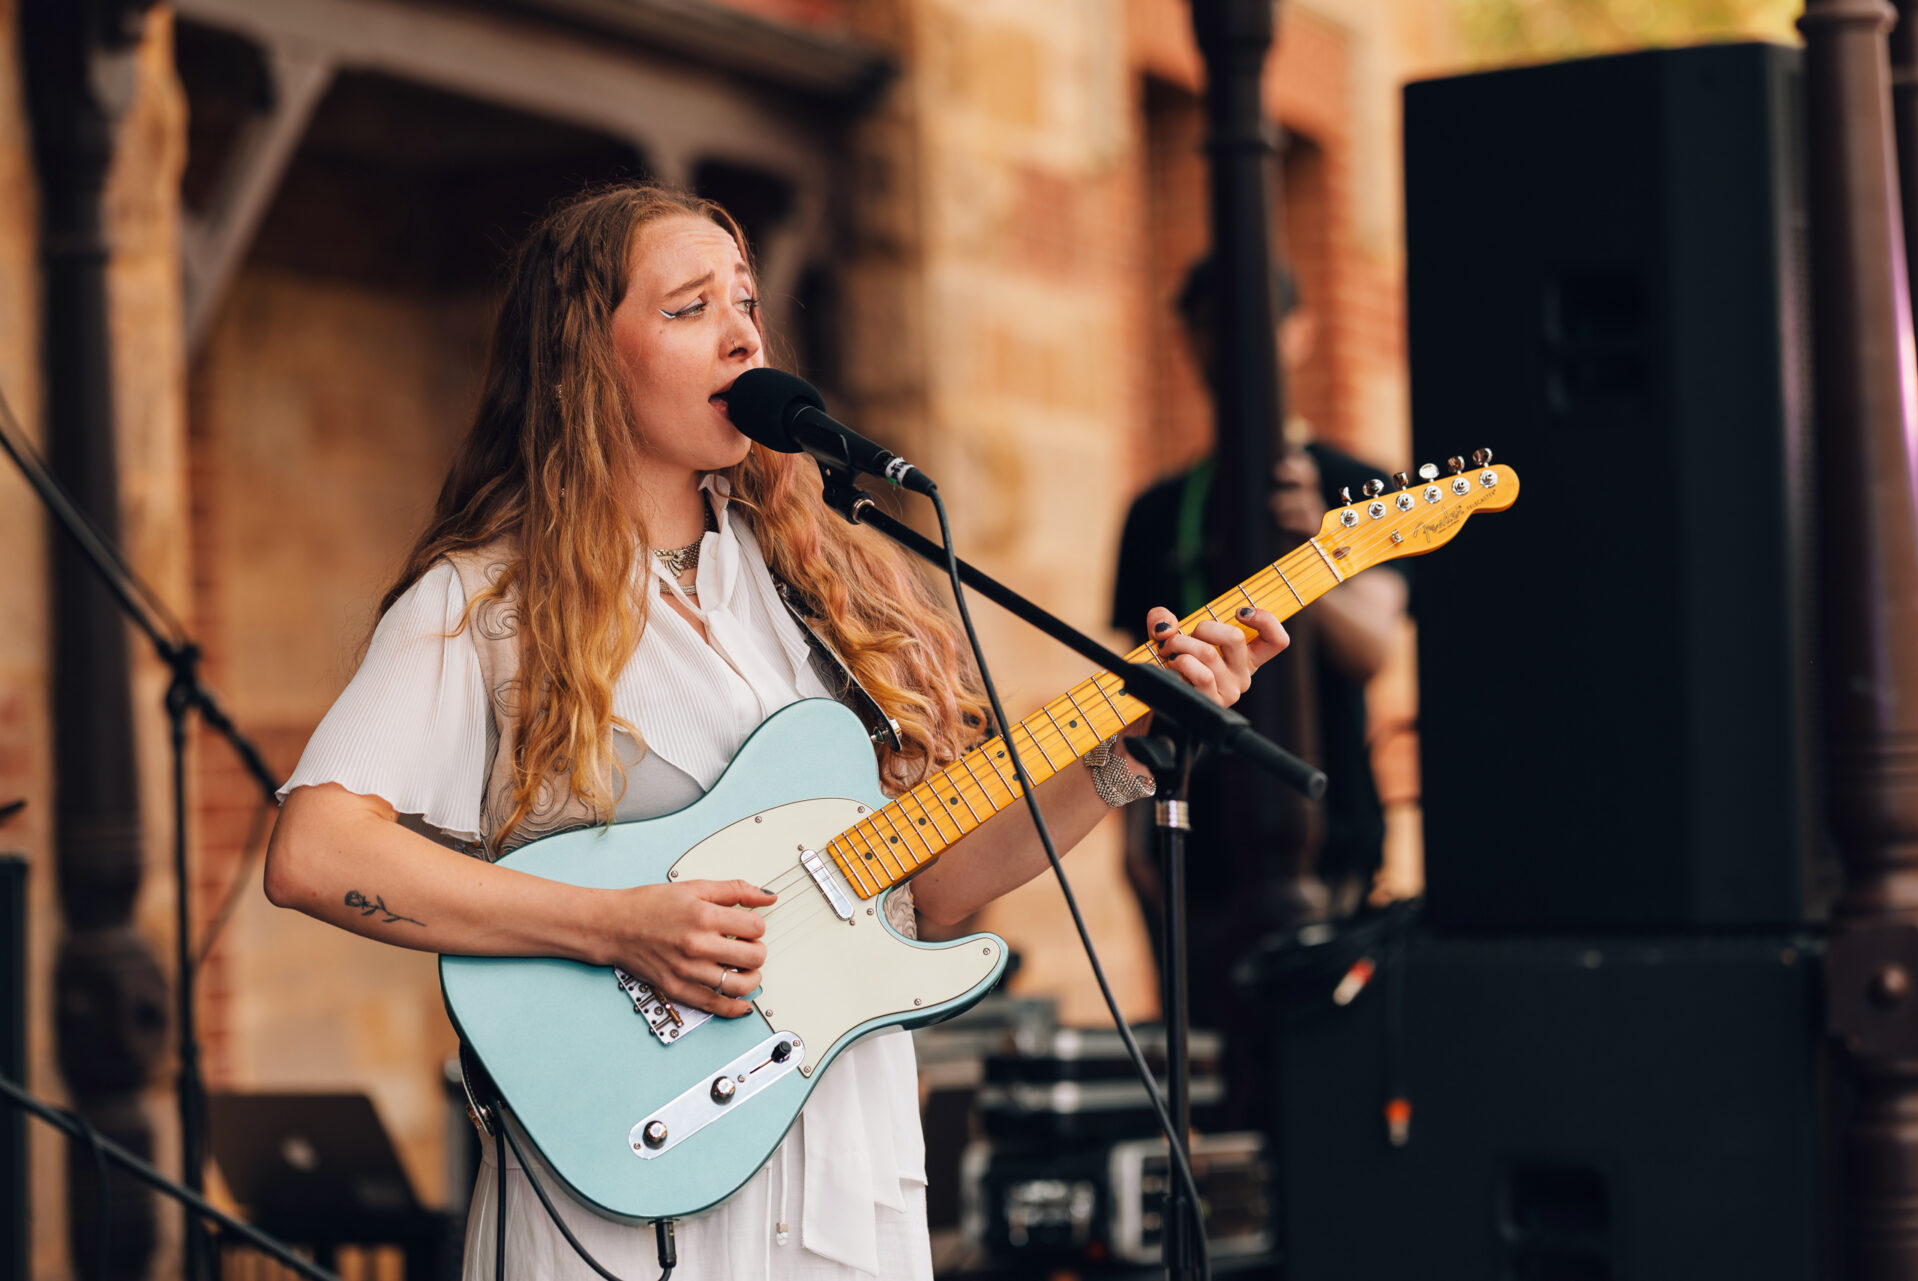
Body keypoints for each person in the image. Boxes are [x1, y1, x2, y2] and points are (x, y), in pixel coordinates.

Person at [262, 182, 1289, 1281]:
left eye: (746, 302)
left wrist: (1122, 753)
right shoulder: (485, 602)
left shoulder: (820, 591)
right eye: (689, 307)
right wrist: (614, 926)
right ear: (582, 358)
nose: (744, 334)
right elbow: (317, 853)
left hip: (843, 1180)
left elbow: (931, 891)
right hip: (626, 1204)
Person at [1111, 258, 1410, 1101]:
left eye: (1252, 327)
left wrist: (1313, 550)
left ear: (1299, 333)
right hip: (1190, 837)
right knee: (1213, 1084)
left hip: (1328, 835)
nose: (1229, 350)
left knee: (1329, 1082)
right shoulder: (1157, 509)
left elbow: (1373, 647)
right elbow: (1129, 681)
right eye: (1210, 330)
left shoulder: (1349, 480)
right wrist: (1132, 843)